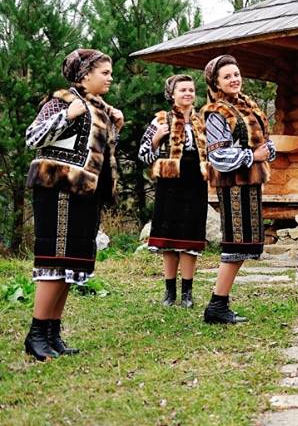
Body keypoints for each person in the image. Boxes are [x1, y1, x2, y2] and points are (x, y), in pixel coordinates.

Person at [23, 49, 123, 361]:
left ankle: (52, 333)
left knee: (70, 264)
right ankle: (36, 334)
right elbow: (33, 137)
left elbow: (93, 153)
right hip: (58, 191)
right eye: (104, 72)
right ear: (84, 75)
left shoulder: (100, 108)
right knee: (54, 261)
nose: (109, 78)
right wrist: (68, 114)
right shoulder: (63, 100)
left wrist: (114, 126)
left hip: (84, 193)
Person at [201, 55, 275, 324]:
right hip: (233, 185)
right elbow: (217, 156)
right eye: (227, 76)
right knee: (234, 245)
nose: (234, 79)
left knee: (245, 245)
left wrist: (267, 151)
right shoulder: (216, 113)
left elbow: (262, 142)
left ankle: (219, 303)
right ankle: (216, 306)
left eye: (236, 73)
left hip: (251, 183)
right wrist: (252, 157)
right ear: (216, 83)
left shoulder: (248, 106)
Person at [139, 74, 209, 308]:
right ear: (172, 94)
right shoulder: (161, 119)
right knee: (168, 238)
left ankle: (187, 292)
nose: (188, 94)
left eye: (191, 90)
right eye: (183, 90)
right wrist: (157, 139)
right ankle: (170, 292)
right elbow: (143, 155)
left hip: (196, 182)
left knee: (190, 237)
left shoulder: (202, 121)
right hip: (170, 184)